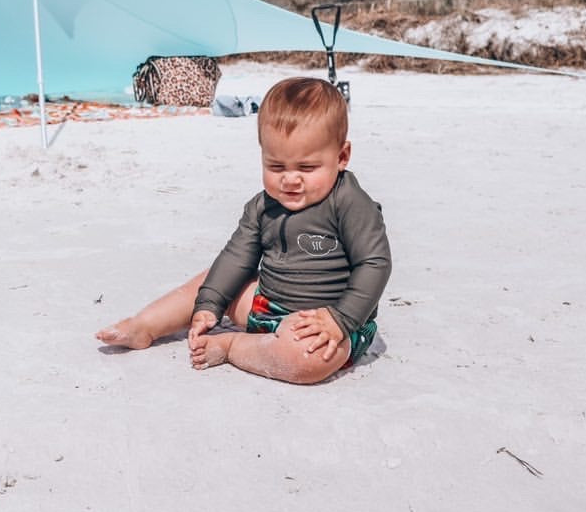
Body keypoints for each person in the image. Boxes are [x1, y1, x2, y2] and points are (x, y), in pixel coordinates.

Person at [96, 76, 392, 384]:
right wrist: (210, 303)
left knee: (310, 359)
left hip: (330, 325)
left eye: (307, 168)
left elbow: (374, 263)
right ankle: (145, 325)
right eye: (276, 167)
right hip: (266, 305)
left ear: (341, 157)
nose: (290, 179)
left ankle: (234, 346)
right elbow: (237, 257)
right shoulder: (262, 206)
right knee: (212, 280)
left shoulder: (350, 203)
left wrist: (340, 318)